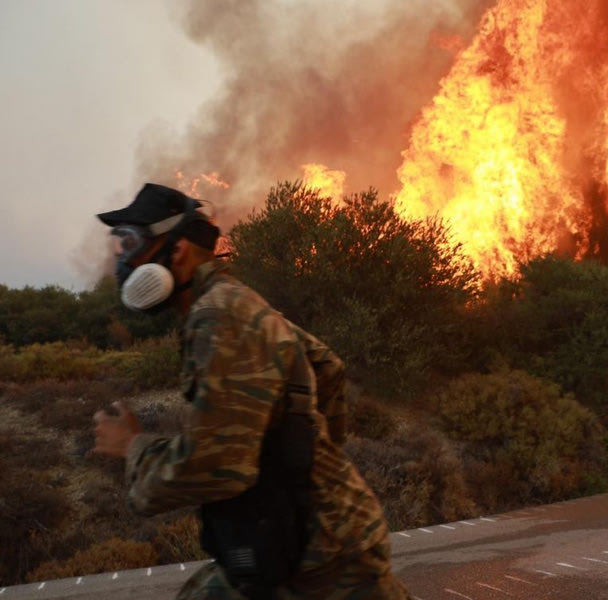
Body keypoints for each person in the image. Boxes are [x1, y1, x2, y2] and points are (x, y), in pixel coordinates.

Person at [91, 183, 409, 600]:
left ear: (179, 249)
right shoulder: (232, 302)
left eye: (130, 242)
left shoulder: (220, 315)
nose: (122, 259)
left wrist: (133, 447)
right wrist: (302, 462)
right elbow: (326, 366)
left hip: (323, 558)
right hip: (317, 540)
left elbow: (217, 464)